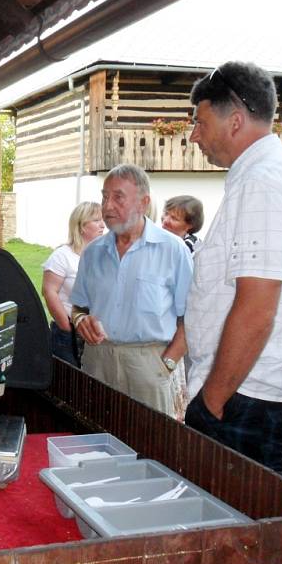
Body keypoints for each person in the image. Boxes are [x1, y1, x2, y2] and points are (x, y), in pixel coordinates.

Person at [183, 61, 282, 476]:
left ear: (234, 120)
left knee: (238, 526)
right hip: (255, 390)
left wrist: (211, 401)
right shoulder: (273, 172)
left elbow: (257, 308)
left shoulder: (263, 181)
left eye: (199, 122)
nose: (194, 135)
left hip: (248, 395)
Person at [70, 164, 193, 416]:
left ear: (143, 202)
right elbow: (78, 307)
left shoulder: (173, 249)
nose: (107, 206)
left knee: (151, 445)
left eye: (118, 197)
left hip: (149, 364)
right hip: (98, 362)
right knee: (96, 441)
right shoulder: (93, 252)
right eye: (104, 197)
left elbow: (192, 317)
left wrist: (166, 364)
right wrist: (81, 320)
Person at [41, 202, 105, 366]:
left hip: (95, 334)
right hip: (68, 334)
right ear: (82, 226)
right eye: (96, 220)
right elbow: (49, 292)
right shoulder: (62, 256)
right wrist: (66, 327)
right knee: (69, 384)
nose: (102, 225)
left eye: (102, 220)